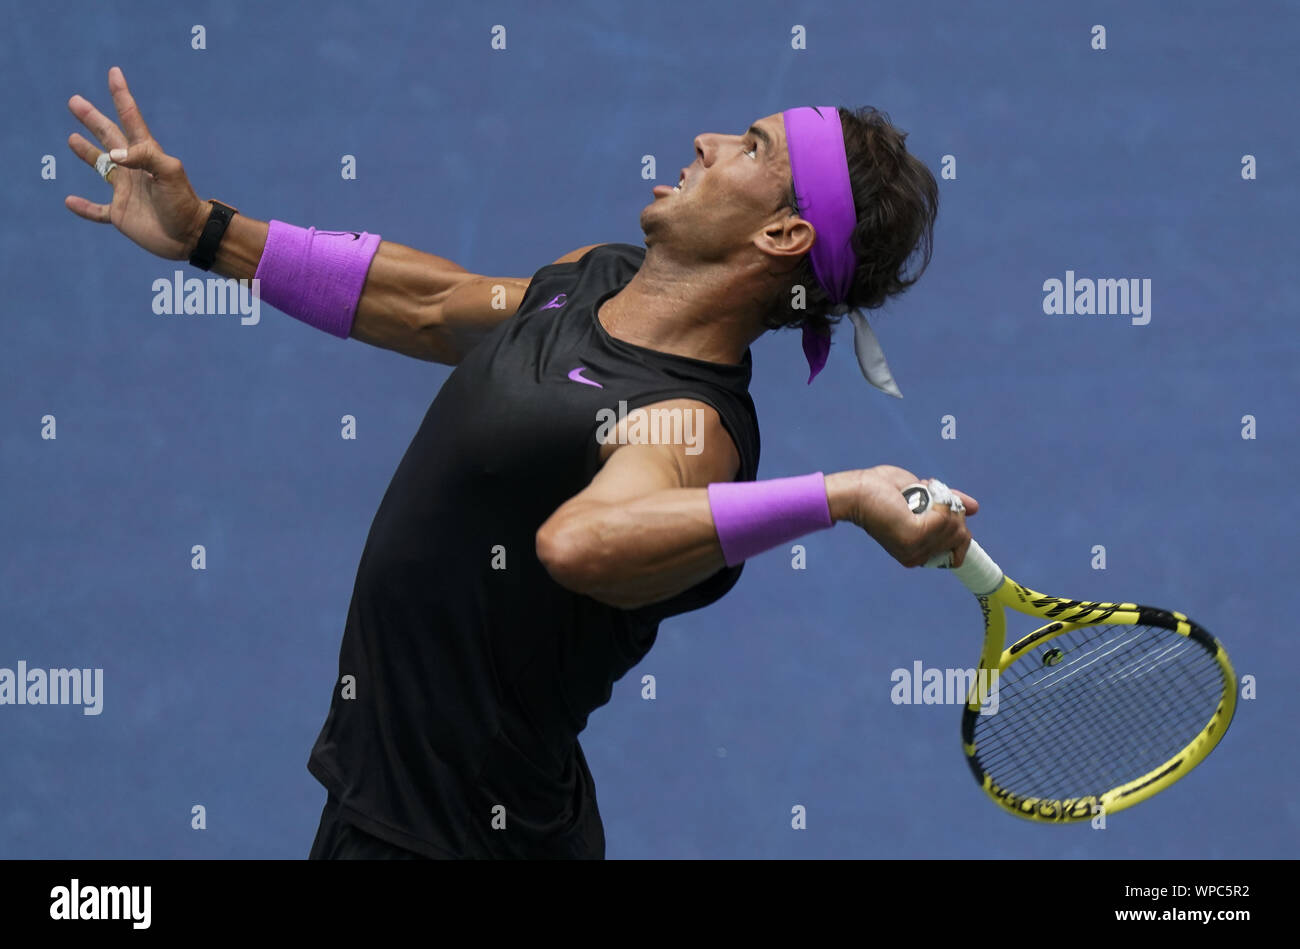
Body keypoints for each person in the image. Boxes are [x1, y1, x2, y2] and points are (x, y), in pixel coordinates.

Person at [65, 66, 977, 859]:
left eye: (747, 148)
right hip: (396, 810)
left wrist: (844, 495)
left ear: (782, 236)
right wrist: (208, 235)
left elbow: (585, 541)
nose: (704, 141)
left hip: (463, 841)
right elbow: (434, 304)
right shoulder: (594, 276)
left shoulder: (686, 425)